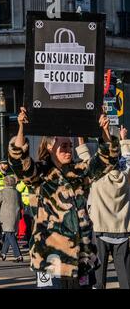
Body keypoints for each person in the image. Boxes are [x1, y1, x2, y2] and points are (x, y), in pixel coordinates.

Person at [9, 107, 116, 289]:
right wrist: (21, 128)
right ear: (50, 147)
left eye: (70, 146)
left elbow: (107, 160)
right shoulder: (40, 174)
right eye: (64, 146)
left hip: (82, 260)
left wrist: (105, 131)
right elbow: (19, 162)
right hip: (51, 259)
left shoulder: (80, 171)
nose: (68, 150)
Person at [86, 125, 130, 289]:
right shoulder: (126, 177)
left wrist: (81, 138)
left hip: (100, 231)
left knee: (98, 280)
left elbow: (86, 159)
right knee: (125, 278)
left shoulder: (97, 178)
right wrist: (123, 139)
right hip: (122, 231)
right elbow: (128, 157)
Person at [0, 175, 23, 262]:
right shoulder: (17, 192)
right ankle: (3, 253)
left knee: (10, 235)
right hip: (15, 215)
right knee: (8, 234)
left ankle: (18, 256)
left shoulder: (2, 192)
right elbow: (21, 205)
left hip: (5, 217)